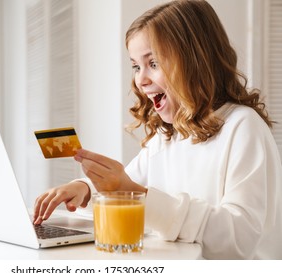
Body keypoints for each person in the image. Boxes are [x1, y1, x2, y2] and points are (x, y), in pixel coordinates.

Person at [33, 0, 282, 259]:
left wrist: (134, 193)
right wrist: (83, 188)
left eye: (153, 64)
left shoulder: (242, 127)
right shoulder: (167, 137)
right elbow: (126, 183)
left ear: (196, 61)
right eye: (136, 66)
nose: (140, 80)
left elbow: (238, 242)